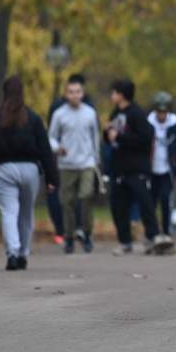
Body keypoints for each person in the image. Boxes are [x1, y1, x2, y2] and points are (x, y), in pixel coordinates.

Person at [0, 76, 59, 270]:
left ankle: (12, 253)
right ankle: (24, 253)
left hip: (3, 170)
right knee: (26, 213)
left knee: (9, 212)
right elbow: (45, 150)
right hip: (30, 170)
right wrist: (52, 177)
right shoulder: (33, 119)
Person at [105, 78, 166, 256]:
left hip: (136, 167)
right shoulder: (115, 113)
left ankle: (153, 238)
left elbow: (145, 138)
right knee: (118, 205)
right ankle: (125, 242)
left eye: (114, 92)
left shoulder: (137, 114)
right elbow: (111, 138)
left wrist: (120, 136)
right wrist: (107, 132)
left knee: (145, 203)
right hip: (119, 168)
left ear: (121, 95)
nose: (111, 95)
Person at [48, 77, 101, 253]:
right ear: (66, 94)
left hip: (87, 163)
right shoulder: (59, 114)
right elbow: (51, 137)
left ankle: (87, 234)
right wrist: (57, 148)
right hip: (66, 165)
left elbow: (95, 138)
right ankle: (69, 237)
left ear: (82, 94)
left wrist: (97, 160)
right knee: (67, 202)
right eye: (71, 92)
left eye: (78, 92)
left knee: (86, 196)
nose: (74, 95)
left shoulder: (90, 113)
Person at [147, 91, 176, 253]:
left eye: (164, 112)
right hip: (151, 171)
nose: (161, 115)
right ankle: (152, 236)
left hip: (167, 171)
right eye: (159, 112)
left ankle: (167, 234)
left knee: (166, 202)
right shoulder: (148, 124)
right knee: (150, 205)